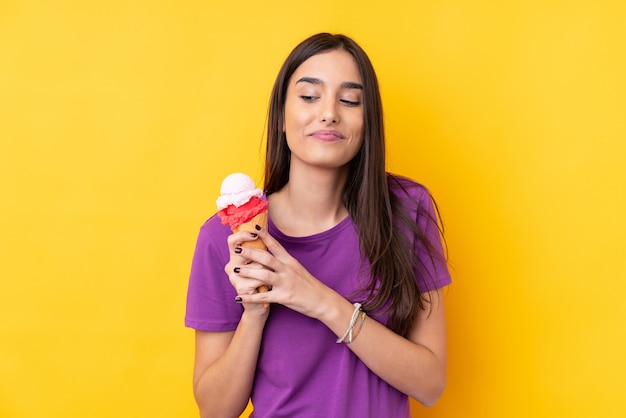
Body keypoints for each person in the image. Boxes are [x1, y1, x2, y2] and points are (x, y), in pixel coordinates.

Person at [185, 32, 452, 418]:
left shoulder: (407, 211)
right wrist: (255, 310)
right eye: (309, 97)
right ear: (280, 115)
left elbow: (430, 384)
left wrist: (321, 301)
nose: (329, 113)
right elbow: (215, 410)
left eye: (349, 100)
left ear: (368, 122)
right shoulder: (224, 238)